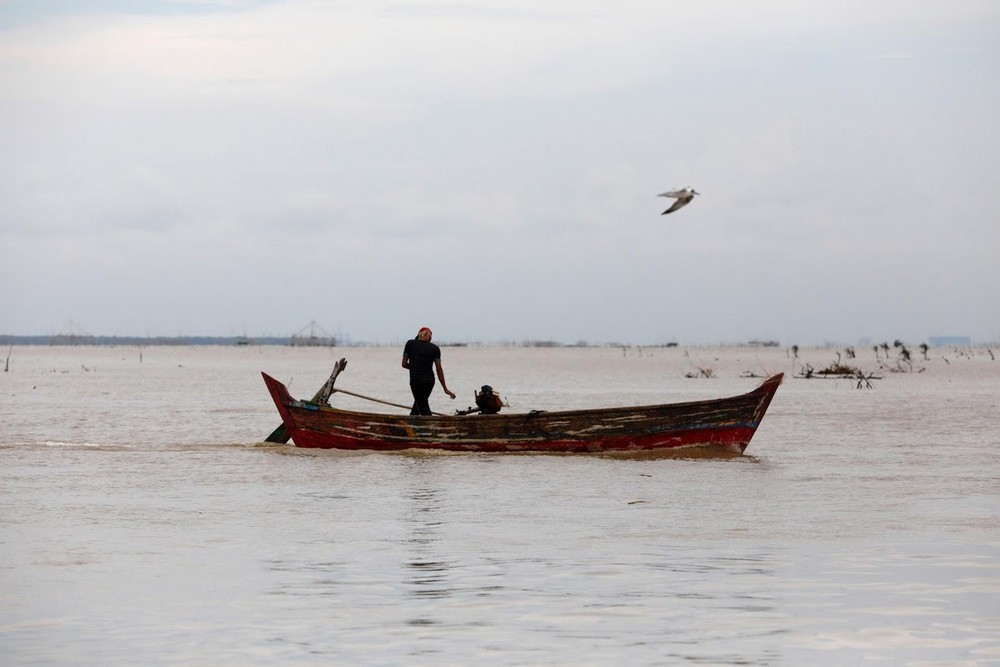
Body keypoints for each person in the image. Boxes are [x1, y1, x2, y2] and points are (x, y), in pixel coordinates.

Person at [401, 326, 456, 415]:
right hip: (429, 381)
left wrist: (416, 368)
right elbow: (439, 369)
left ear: (418, 336)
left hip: (416, 380)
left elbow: (404, 364)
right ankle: (411, 424)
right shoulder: (435, 348)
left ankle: (432, 427)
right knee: (419, 404)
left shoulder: (410, 343)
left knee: (422, 406)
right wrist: (445, 388)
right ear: (430, 338)